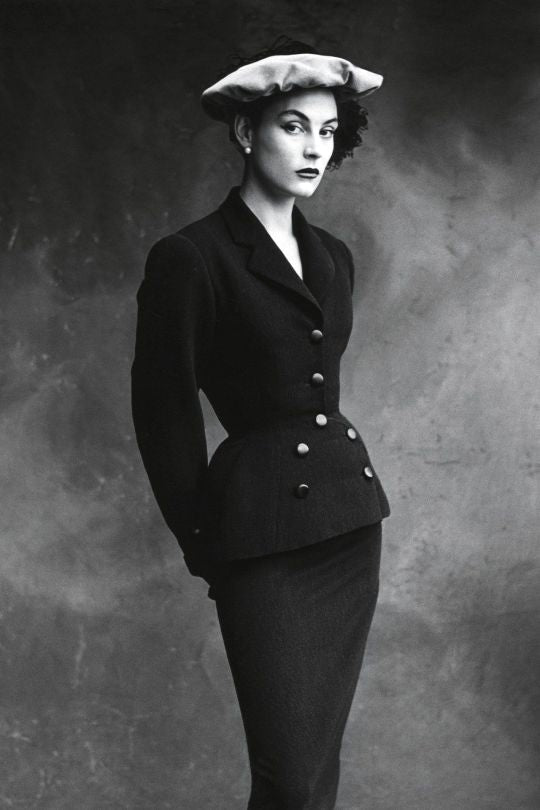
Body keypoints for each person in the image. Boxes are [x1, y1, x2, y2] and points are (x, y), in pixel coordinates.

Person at [131, 34, 391, 810]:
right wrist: (202, 540)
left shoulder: (334, 256)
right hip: (259, 535)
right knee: (287, 775)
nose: (315, 148)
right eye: (293, 126)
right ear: (246, 132)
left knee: (316, 772)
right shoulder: (191, 257)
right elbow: (164, 410)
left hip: (349, 523)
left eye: (328, 130)